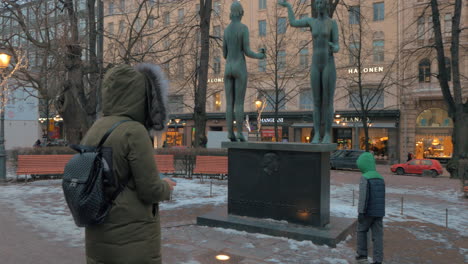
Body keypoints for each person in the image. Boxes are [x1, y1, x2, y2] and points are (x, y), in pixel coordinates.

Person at [81, 64, 176, 264]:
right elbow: (150, 190)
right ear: (139, 96)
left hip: (98, 230)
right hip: (132, 238)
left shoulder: (95, 129)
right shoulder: (134, 131)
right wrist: (166, 186)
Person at [279, 0, 339, 144]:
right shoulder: (312, 22)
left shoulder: (332, 23)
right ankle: (317, 133)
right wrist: (288, 7)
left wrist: (332, 46)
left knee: (328, 101)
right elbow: (293, 22)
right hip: (315, 64)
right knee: (317, 101)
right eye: (316, 3)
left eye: (321, 3)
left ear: (325, 5)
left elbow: (337, 46)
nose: (318, 6)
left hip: (328, 64)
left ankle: (327, 134)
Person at [223, 1, 266, 142]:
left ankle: (230, 132)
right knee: (239, 103)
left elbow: (224, 53)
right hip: (239, 66)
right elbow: (247, 51)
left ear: (231, 13)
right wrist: (260, 55)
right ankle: (240, 133)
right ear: (241, 13)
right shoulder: (243, 28)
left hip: (228, 67)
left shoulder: (226, 30)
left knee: (229, 103)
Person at [356, 152, 386, 264]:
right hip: (379, 212)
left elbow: (363, 197)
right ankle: (378, 260)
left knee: (361, 231)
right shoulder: (380, 178)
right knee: (378, 237)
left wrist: (360, 212)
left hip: (367, 212)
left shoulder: (365, 177)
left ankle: (362, 255)